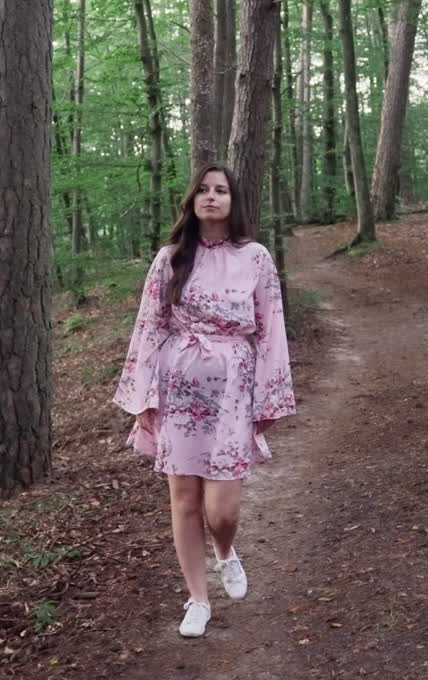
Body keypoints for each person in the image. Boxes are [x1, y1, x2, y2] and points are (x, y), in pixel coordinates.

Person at [112, 164, 296, 638]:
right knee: (184, 501)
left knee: (222, 512)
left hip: (233, 393)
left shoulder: (255, 257)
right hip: (177, 393)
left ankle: (225, 551)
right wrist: (142, 396)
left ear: (234, 202)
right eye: (204, 190)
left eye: (221, 190)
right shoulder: (170, 258)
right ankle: (197, 599)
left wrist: (269, 400)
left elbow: (272, 328)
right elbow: (149, 328)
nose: (212, 197)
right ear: (192, 200)